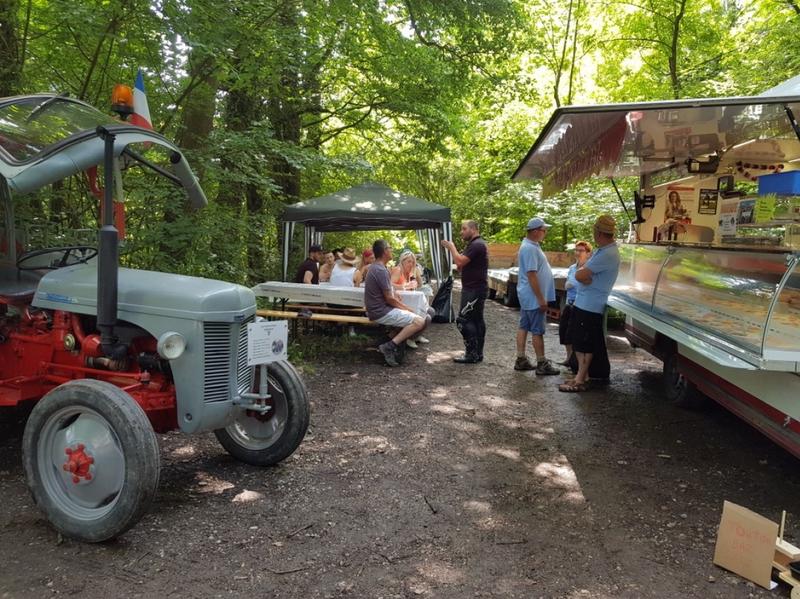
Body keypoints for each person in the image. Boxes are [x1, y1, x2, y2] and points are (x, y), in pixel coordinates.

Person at [559, 215, 620, 393]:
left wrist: (584, 276)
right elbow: (581, 274)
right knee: (578, 340)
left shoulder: (608, 253)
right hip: (584, 303)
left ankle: (580, 380)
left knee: (585, 342)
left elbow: (580, 275)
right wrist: (584, 276)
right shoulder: (602, 251)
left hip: (591, 305)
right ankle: (581, 375)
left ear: (599, 233)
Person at [364, 239, 430, 367]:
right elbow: (389, 299)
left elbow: (387, 291)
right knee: (419, 321)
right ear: (384, 251)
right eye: (390, 248)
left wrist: (394, 291)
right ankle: (388, 347)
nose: (392, 250)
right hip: (380, 312)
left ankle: (389, 344)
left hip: (377, 309)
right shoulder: (380, 270)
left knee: (415, 317)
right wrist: (406, 308)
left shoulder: (376, 267)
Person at [514, 218, 560, 375]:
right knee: (537, 330)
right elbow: (532, 274)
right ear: (535, 231)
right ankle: (542, 363)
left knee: (524, 326)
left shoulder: (530, 246)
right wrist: (541, 298)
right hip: (533, 297)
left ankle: (521, 359)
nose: (545, 233)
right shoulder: (530, 248)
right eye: (543, 230)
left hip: (528, 296)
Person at [441, 220, 489, 364]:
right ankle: (477, 354)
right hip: (476, 288)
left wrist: (451, 247)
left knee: (463, 320)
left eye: (464, 229)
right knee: (477, 320)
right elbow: (464, 264)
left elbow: (460, 261)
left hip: (474, 289)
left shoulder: (476, 245)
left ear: (473, 229)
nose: (461, 232)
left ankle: (472, 354)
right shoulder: (476, 244)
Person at [558, 240, 592, 366]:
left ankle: (576, 362)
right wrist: (568, 284)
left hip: (581, 305)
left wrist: (574, 284)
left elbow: (588, 284)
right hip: (569, 303)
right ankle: (568, 358)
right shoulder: (572, 268)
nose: (578, 253)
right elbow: (568, 284)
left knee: (576, 333)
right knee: (564, 331)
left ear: (588, 253)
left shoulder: (589, 269)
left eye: (581, 250)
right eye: (576, 250)